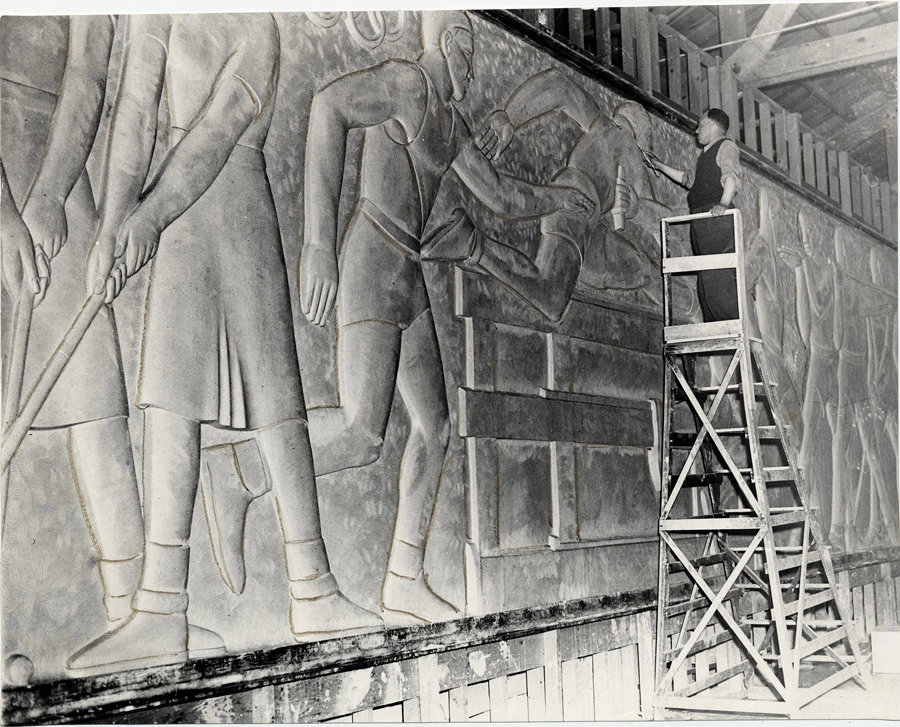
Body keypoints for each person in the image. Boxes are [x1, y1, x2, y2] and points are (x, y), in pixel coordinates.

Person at [67, 13, 381, 672]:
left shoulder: (262, 27)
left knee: (277, 405)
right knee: (169, 396)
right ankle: (159, 607)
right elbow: (135, 112)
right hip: (176, 218)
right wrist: (112, 225)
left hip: (234, 203)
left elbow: (218, 129)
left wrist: (148, 214)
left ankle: (313, 588)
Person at [292, 11, 592, 625]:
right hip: (372, 260)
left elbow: (504, 198)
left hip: (406, 273)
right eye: (470, 55)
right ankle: (247, 472)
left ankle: (403, 577)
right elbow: (328, 107)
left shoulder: (448, 123)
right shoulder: (406, 83)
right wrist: (317, 245)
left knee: (435, 429)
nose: (473, 71)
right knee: (360, 434)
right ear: (452, 43)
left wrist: (560, 199)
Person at [0, 15, 225, 668]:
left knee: (98, 398)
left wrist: (47, 198)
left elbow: (90, 74)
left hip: (57, 170)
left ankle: (134, 612)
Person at [424, 68, 673, 321]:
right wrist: (637, 207)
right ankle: (468, 241)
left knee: (642, 268)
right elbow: (662, 223)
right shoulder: (630, 149)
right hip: (579, 202)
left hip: (588, 218)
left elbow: (558, 85)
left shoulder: (602, 126)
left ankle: (681, 305)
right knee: (553, 300)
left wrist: (509, 117)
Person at [649, 108, 742, 322]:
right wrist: (659, 165)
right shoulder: (705, 155)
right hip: (702, 219)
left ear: (711, 126)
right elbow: (688, 180)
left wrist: (723, 204)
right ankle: (717, 330)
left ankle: (729, 326)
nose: (697, 130)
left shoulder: (726, 147)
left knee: (717, 280)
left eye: (700, 125)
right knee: (707, 281)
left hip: (715, 218)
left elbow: (731, 177)